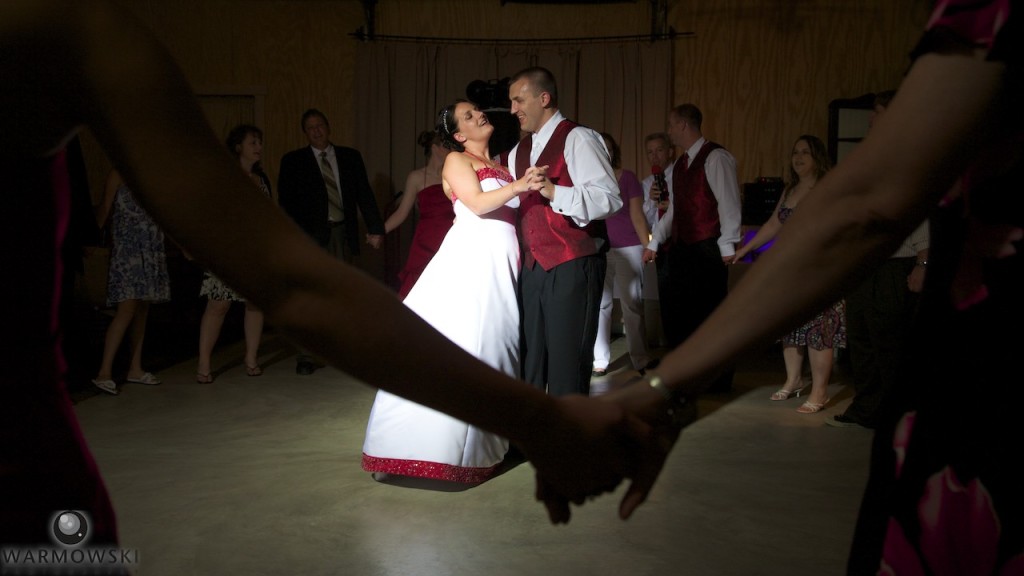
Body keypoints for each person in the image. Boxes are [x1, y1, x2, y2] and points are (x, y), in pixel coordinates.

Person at [0, 0, 653, 546]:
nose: (481, 119)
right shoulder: (69, 28)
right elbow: (295, 286)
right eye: (471, 116)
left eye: (484, 113)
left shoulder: (61, 28)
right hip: (27, 469)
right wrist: (543, 422)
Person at [586, 2, 1023, 572]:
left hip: (984, 370)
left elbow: (864, 207)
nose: (878, 132)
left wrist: (668, 386)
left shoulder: (989, 20)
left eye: (885, 121)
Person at [362, 101, 545, 486]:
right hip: (472, 261)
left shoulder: (503, 163)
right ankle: (421, 450)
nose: (479, 114)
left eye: (477, 109)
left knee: (496, 346)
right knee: (465, 345)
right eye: (468, 116)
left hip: (501, 262)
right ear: (459, 135)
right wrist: (519, 185)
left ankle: (478, 449)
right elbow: (477, 204)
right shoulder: (456, 162)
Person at [505, 66, 623, 396]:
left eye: (518, 100)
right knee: (530, 363)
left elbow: (609, 199)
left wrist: (556, 192)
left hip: (573, 262)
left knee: (566, 365)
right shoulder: (519, 151)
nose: (513, 109)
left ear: (544, 98)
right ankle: (527, 441)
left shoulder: (579, 138)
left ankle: (568, 444)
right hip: (532, 270)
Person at [826, 91, 929, 429]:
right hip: (864, 261)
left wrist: (922, 261)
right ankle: (867, 405)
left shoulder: (911, 156)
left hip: (895, 261)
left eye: (878, 113)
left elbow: (919, 212)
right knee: (861, 339)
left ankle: (895, 411)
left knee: (889, 340)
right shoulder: (872, 155)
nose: (871, 120)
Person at [731, 135, 846, 413]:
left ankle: (819, 392)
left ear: (817, 156)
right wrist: (746, 248)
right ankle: (793, 380)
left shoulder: (828, 185)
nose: (799, 157)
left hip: (819, 267)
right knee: (791, 326)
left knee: (819, 329)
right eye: (795, 152)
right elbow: (773, 224)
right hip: (790, 267)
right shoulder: (790, 189)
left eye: (805, 152)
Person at [277, 108, 387, 375]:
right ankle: (306, 355)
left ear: (328, 127)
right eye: (310, 127)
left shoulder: (350, 157)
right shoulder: (293, 161)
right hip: (309, 236)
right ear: (305, 133)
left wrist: (376, 228)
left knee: (341, 295)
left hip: (341, 232)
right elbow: (286, 202)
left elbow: (364, 194)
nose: (316, 131)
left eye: (320, 125)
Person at [642, 104, 742, 393]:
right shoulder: (680, 165)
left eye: (672, 125)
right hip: (683, 249)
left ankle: (717, 380)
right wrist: (654, 241)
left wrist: (727, 244)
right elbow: (673, 209)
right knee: (684, 316)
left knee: (711, 316)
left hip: (708, 248)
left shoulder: (715, 158)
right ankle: (689, 377)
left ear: (684, 125)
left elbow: (728, 202)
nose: (669, 130)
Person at [195, 124, 273, 383]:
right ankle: (204, 362)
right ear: (238, 146)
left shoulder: (261, 180)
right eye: (253, 142)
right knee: (219, 304)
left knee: (255, 303)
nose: (258, 147)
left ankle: (251, 357)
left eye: (259, 142)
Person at [90, 169, 171, 395]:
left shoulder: (150, 175)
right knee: (126, 309)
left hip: (149, 245)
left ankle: (135, 368)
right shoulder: (117, 173)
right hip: (129, 248)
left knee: (141, 310)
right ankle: (104, 372)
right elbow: (105, 208)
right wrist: (91, 241)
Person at [592, 132, 651, 377]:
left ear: (614, 151)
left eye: (609, 148)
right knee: (600, 305)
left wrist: (648, 244)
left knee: (632, 304)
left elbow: (637, 215)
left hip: (629, 247)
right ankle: (600, 360)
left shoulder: (627, 177)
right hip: (600, 248)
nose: (606, 152)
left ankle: (640, 359)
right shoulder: (589, 179)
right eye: (600, 148)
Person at [384, 130, 454, 300]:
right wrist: (379, 230)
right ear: (435, 148)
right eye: (447, 146)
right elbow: (401, 213)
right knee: (417, 290)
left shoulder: (454, 175)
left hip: (451, 238)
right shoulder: (416, 177)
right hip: (426, 241)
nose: (452, 150)